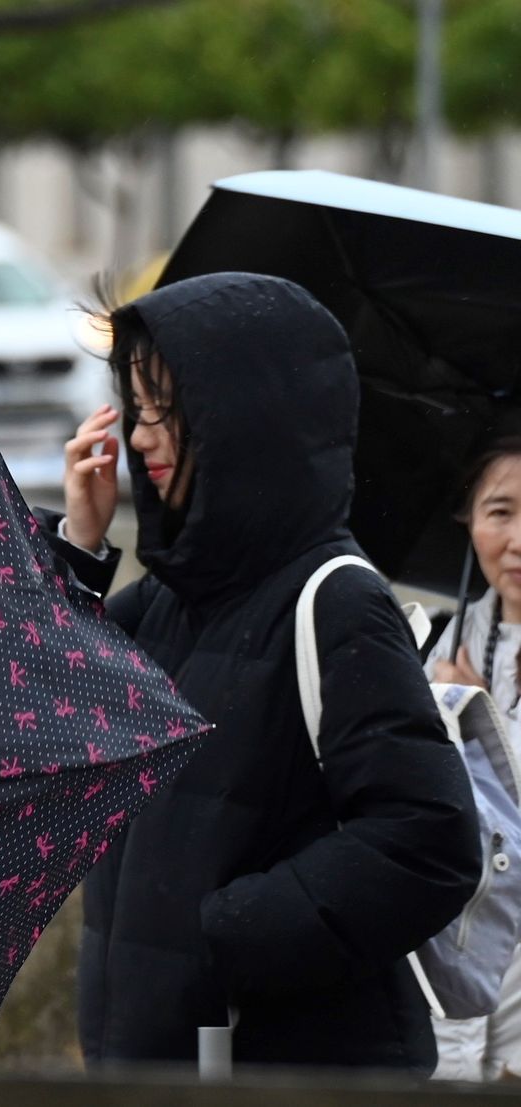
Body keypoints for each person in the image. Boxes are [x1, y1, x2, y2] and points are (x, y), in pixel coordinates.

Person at [49, 270, 480, 1071]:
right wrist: (80, 543)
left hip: (288, 1069)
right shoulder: (171, 599)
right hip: (160, 1063)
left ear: (241, 419)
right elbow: (53, 724)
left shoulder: (336, 601)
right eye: (135, 410)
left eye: (164, 411)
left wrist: (234, 930)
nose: (140, 438)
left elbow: (430, 839)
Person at [424, 437, 521, 1080]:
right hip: (454, 943)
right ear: (468, 521)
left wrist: (487, 724)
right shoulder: (434, 641)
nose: (517, 540)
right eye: (501, 512)